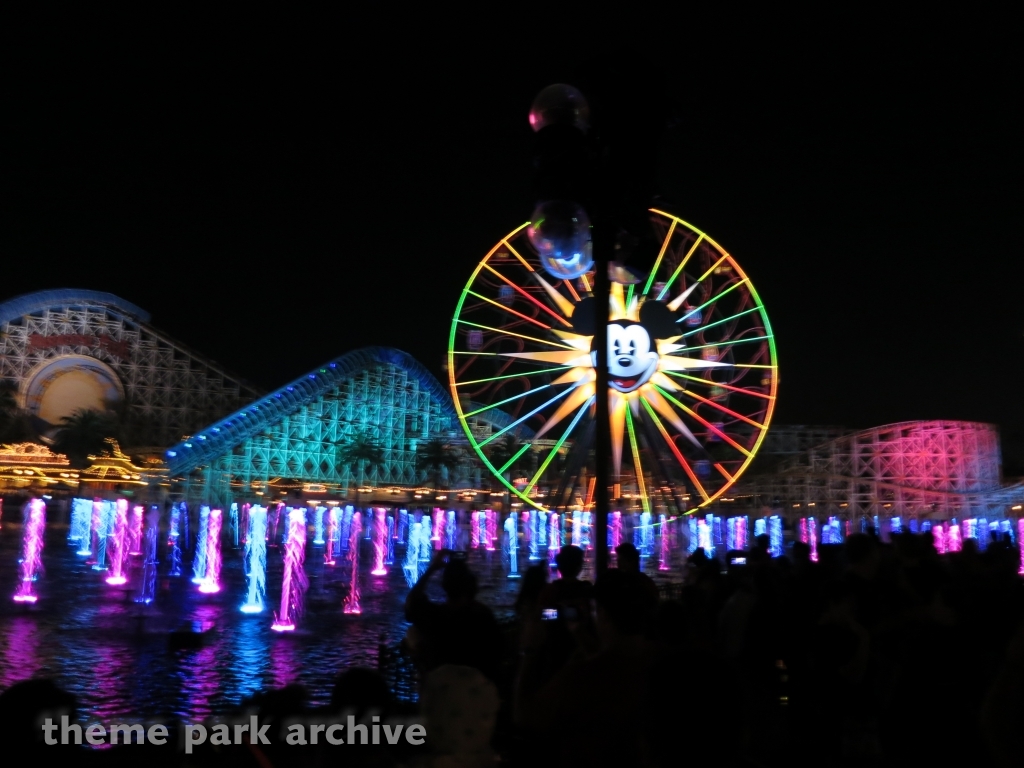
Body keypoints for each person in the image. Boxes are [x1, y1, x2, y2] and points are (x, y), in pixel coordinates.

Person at [404, 550, 503, 682]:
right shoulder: (482, 615)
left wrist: (432, 568)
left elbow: (412, 602)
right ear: (471, 585)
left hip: (442, 692)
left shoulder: (436, 616)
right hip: (476, 692)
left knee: (412, 633)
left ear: (444, 585)